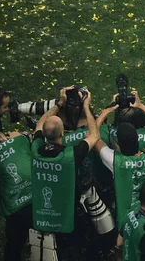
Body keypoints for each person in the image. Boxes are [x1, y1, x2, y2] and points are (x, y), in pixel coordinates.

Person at [30, 86, 100, 259]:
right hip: (69, 214)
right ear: (62, 132)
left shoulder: (35, 149)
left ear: (44, 135)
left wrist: (59, 104)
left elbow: (40, 123)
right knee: (74, 248)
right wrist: (86, 108)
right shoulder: (71, 155)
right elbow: (94, 135)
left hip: (44, 214)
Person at [94, 91, 145, 230]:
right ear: (138, 140)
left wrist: (106, 111)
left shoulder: (114, 160)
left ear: (118, 146)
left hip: (125, 221)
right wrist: (141, 106)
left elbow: (92, 136)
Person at [0, 130, 33, 261]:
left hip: (13, 208)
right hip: (34, 198)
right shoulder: (19, 141)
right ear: (1, 136)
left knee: (13, 246)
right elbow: (26, 136)